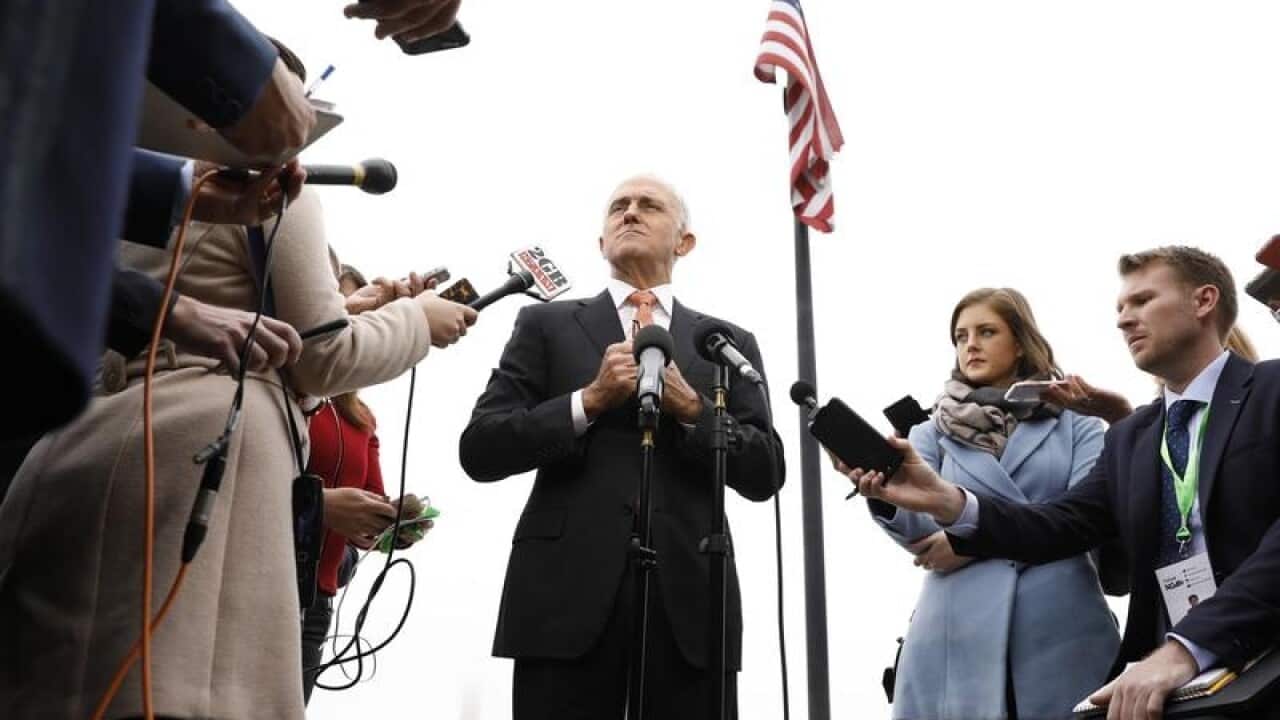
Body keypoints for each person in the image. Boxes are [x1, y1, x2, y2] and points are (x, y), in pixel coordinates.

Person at [0, 155, 477, 720]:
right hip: (199, 457)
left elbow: (233, 310)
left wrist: (350, 309)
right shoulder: (279, 187)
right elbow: (322, 357)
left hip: (82, 445)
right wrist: (419, 321)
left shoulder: (112, 178)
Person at [844, 246, 1280, 720]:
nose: (1123, 320)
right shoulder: (1133, 436)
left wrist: (1187, 648)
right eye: (1119, 308)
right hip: (1164, 693)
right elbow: (1059, 524)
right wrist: (949, 501)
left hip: (1257, 661)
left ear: (1204, 301)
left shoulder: (1272, 389)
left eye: (1142, 301)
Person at [459, 175, 785, 719]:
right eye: (619, 207)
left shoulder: (724, 343)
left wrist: (693, 410)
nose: (630, 213)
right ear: (601, 243)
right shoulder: (546, 325)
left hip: (691, 605)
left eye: (650, 206)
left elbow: (765, 471)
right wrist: (588, 400)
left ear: (684, 243)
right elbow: (482, 447)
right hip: (564, 599)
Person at [854, 288, 1118, 719]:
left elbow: (1080, 520)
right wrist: (883, 499)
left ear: (1020, 343)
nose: (970, 344)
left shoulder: (1079, 424)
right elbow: (922, 536)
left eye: (986, 331)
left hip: (1062, 631)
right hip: (955, 638)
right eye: (960, 336)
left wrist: (967, 542)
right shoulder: (930, 431)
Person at [300, 262, 437, 703]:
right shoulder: (289, 391)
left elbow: (369, 512)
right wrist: (321, 506)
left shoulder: (361, 420)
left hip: (316, 602)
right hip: (263, 585)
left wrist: (394, 519)